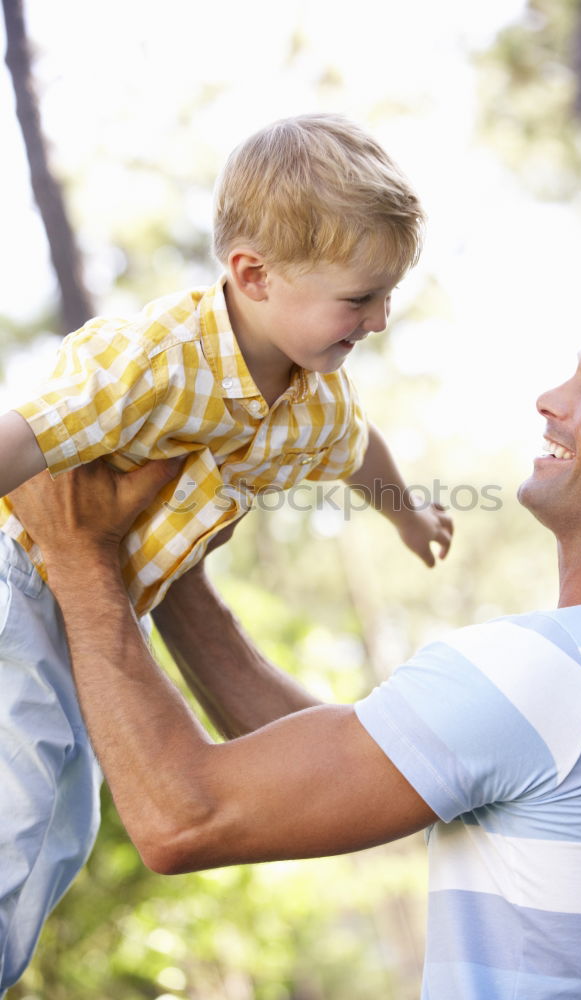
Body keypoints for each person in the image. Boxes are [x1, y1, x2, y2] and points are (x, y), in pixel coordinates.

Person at [8, 253, 581, 999]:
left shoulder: (557, 673)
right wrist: (175, 559)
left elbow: (186, 815)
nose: (550, 399)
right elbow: (351, 763)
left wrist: (78, 550)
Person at [0, 114, 453, 993]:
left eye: (389, 295)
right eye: (360, 299)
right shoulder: (157, 363)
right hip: (21, 582)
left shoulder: (316, 396)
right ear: (253, 274)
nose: (381, 321)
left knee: (63, 822)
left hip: (93, 617)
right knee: (19, 804)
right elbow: (23, 444)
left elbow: (361, 452)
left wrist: (407, 517)